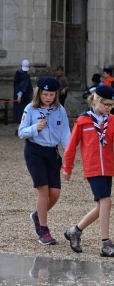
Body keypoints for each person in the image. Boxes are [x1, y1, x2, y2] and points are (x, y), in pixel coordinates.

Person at [62, 85, 114, 257]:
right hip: (93, 168)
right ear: (96, 100)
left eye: (112, 105)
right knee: (106, 203)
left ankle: (75, 231)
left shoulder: (112, 120)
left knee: (101, 206)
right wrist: (67, 168)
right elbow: (71, 146)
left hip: (107, 167)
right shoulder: (83, 120)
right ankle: (105, 244)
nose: (109, 108)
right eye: (106, 104)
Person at [18, 76, 71, 245]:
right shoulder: (30, 109)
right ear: (39, 93)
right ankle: (44, 230)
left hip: (52, 153)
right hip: (35, 151)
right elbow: (21, 132)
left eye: (51, 95)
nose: (48, 98)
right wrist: (35, 128)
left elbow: (65, 134)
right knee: (44, 190)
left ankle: (37, 215)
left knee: (55, 193)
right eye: (45, 94)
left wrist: (68, 157)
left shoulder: (60, 110)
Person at [13, 59, 33, 125]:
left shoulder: (17, 74)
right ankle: (20, 127)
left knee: (20, 111)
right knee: (23, 111)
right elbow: (22, 86)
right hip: (24, 97)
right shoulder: (26, 76)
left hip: (18, 96)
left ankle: (19, 126)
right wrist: (19, 96)